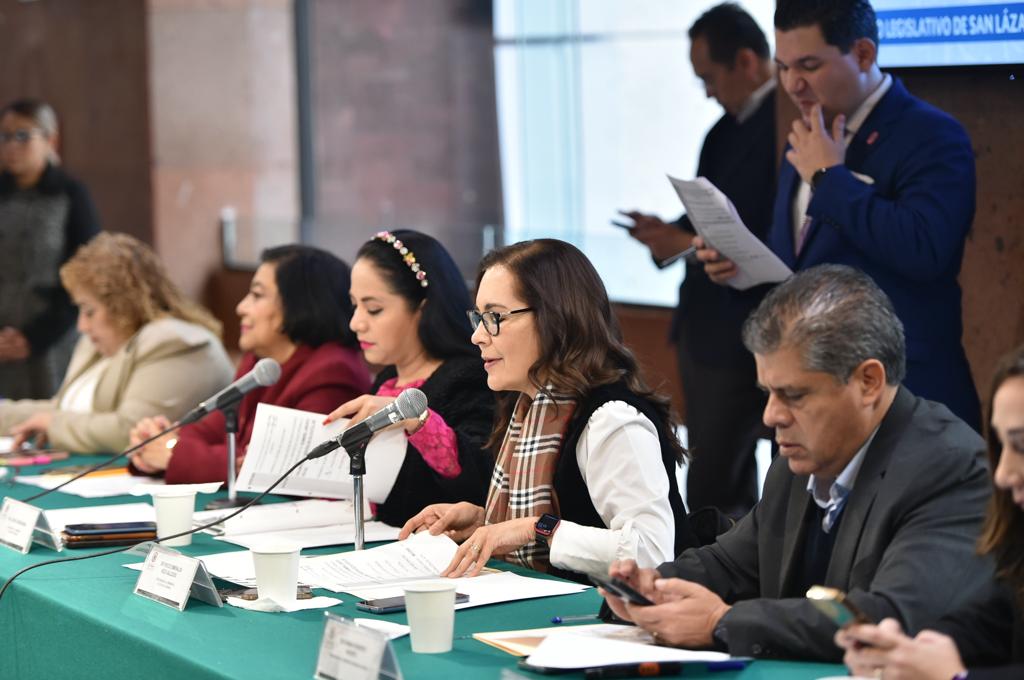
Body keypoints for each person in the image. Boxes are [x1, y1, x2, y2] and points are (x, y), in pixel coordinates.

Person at [600, 264, 990, 661]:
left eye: (794, 395)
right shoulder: (798, 461)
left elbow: (886, 617)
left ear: (868, 382)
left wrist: (721, 622)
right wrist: (652, 587)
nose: (771, 416)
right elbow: (731, 564)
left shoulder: (949, 468)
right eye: (768, 393)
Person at [696, 0, 981, 431]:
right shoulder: (805, 135)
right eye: (783, 67)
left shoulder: (933, 135)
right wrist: (740, 268)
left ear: (863, 54)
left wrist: (830, 178)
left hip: (905, 399)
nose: (793, 84)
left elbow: (925, 250)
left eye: (809, 66)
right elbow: (797, 262)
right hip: (811, 398)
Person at [399, 239, 697, 583]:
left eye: (495, 317)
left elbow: (652, 554)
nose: (477, 336)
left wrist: (537, 529)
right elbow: (566, 521)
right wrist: (485, 522)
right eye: (478, 318)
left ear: (556, 319)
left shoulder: (612, 419)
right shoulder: (530, 407)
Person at [620, 3, 775, 517]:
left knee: (721, 482)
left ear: (746, 61)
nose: (707, 92)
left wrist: (682, 241)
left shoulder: (786, 125)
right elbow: (708, 216)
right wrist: (665, 233)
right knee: (714, 477)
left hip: (750, 324)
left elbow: (758, 227)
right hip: (707, 325)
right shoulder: (723, 131)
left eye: (709, 77)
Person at [837, 344, 1024, 679]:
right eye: (1001, 445)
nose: (1002, 474)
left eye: (1021, 445)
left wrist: (955, 678)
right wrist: (905, 652)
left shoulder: (948, 465)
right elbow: (989, 625)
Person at [129, 245, 371, 482]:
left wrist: (174, 453)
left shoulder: (333, 371)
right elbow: (208, 430)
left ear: (299, 303)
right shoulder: (261, 363)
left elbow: (281, 465)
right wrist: (163, 444)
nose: (241, 307)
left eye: (257, 295)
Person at [0, 233, 233, 453]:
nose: (81, 325)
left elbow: (130, 429)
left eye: (89, 311)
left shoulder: (176, 343)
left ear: (124, 305)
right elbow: (61, 409)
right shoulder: (101, 343)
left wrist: (55, 425)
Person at [324, 230, 495, 527]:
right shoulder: (387, 379)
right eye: (354, 305)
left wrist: (416, 420)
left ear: (422, 308)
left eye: (374, 309)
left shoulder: (469, 377)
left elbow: (479, 483)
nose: (356, 323)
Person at [0, 98, 101, 399]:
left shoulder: (71, 194)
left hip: (53, 335)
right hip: (2, 337)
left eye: (23, 136)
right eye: (5, 136)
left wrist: (35, 336)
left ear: (50, 140)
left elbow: (87, 270)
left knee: (51, 415)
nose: (11, 146)